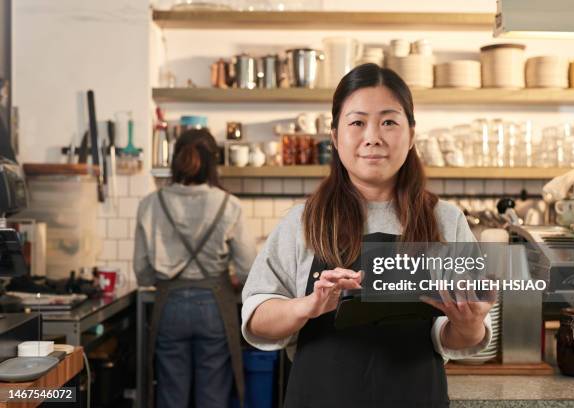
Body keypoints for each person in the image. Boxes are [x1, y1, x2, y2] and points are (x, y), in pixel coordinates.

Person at [241, 63, 494, 408]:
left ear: (412, 135)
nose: (372, 136)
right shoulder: (303, 221)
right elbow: (256, 319)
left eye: (389, 121)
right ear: (334, 136)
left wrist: (467, 323)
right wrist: (308, 306)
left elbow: (467, 336)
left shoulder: (445, 221)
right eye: (357, 122)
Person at [134, 128, 256, 408]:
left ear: (176, 159)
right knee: (213, 396)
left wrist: (167, 275)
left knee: (171, 395)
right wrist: (233, 277)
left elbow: (142, 271)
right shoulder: (229, 205)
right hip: (215, 306)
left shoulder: (150, 204)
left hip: (169, 307)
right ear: (213, 162)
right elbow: (248, 268)